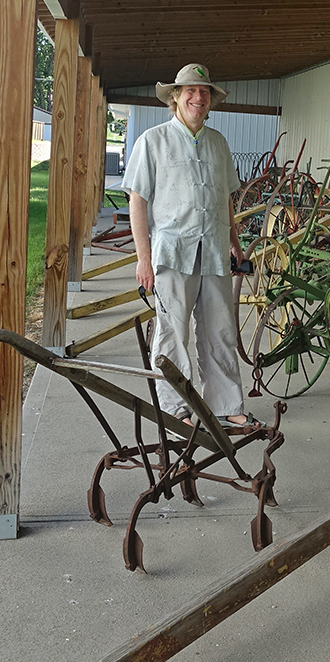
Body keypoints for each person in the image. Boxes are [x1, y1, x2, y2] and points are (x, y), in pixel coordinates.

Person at [124, 63, 255, 427]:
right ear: (176, 98)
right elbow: (137, 200)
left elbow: (225, 198)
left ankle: (226, 404)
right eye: (191, 91)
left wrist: (234, 242)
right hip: (171, 253)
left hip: (212, 250)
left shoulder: (218, 143)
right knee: (172, 333)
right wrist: (143, 259)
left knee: (220, 329)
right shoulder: (153, 141)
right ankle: (175, 406)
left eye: (205, 92)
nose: (199, 97)